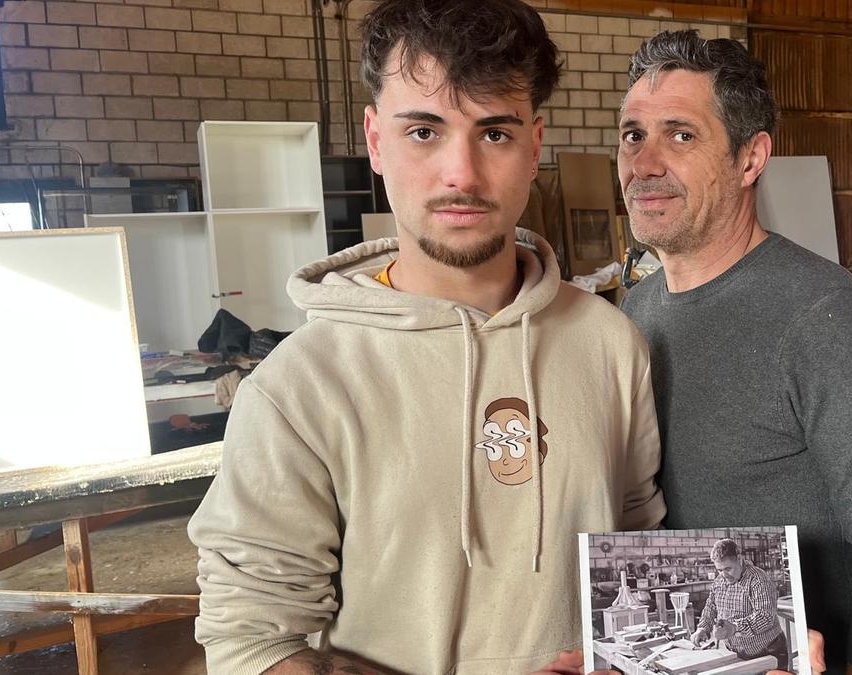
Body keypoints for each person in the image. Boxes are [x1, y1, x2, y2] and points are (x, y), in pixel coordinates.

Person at [186, 1, 666, 673]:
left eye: (493, 134)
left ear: (534, 144)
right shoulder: (300, 386)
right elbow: (254, 641)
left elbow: (644, 552)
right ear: (376, 141)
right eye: (424, 131)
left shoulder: (611, 345)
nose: (461, 175)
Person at [617, 30, 852, 675]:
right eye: (633, 135)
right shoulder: (635, 311)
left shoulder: (830, 322)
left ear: (751, 160)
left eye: (681, 135)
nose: (645, 163)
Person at [692, 540, 787, 672]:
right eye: (719, 570)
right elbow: (711, 606)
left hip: (767, 652)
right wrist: (703, 628)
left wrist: (734, 628)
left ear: (740, 559)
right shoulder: (719, 580)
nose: (724, 575)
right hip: (735, 653)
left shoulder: (758, 579)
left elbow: (765, 617)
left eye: (728, 568)